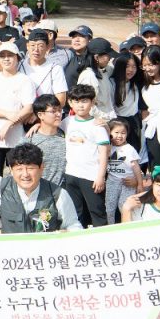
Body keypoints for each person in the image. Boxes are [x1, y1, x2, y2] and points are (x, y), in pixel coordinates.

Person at [0, 143, 82, 233]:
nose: (25, 174)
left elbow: (73, 225)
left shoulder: (58, 195)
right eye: (19, 169)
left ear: (41, 168)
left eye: (30, 168)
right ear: (11, 170)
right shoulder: (1, 186)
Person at [0, 42, 35, 176]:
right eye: (2, 56)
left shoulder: (25, 80)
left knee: (18, 175)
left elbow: (28, 108)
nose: (6, 59)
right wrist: (8, 114)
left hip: (16, 137)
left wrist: (9, 123)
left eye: (10, 55)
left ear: (17, 58)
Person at [61, 84, 110, 228]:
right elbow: (50, 126)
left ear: (92, 102)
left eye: (84, 101)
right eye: (76, 101)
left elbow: (104, 153)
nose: (80, 105)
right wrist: (36, 125)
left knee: (97, 211)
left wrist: (100, 177)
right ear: (70, 103)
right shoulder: (67, 121)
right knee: (75, 212)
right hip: (71, 174)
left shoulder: (97, 125)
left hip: (91, 176)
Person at [105, 119, 142, 224]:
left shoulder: (129, 149)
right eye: (116, 132)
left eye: (123, 133)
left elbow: (136, 167)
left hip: (127, 183)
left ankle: (127, 225)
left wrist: (139, 184)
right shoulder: (108, 147)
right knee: (109, 207)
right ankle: (110, 227)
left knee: (124, 205)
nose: (119, 136)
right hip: (112, 182)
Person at [19, 29, 67, 106]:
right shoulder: (18, 65)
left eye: (41, 46)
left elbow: (61, 100)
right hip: (22, 111)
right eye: (32, 45)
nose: (36, 49)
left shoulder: (55, 68)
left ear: (47, 47)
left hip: (46, 110)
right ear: (27, 46)